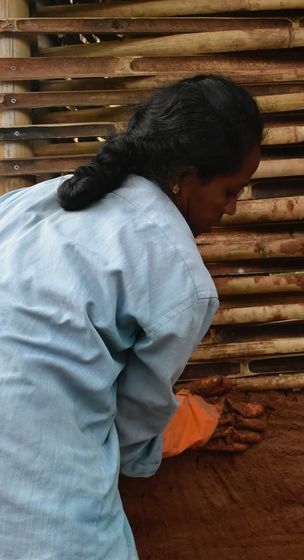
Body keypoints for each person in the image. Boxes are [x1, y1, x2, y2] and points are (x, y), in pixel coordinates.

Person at [0, 74, 264, 559]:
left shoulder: (32, 203)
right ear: (183, 175)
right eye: (229, 191)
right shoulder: (178, 274)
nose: (231, 209)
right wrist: (188, 422)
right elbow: (132, 435)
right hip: (40, 518)